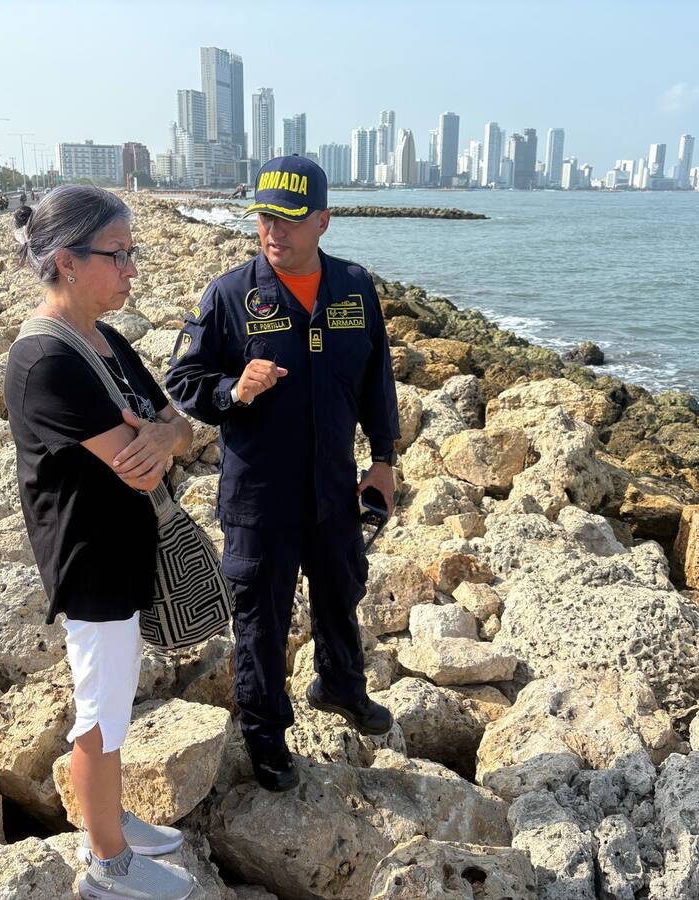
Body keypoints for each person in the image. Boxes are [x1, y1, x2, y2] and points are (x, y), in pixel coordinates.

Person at [165, 155, 399, 792]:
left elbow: (378, 379)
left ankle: (343, 687)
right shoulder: (230, 295)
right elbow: (182, 381)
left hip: (333, 486)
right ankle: (266, 734)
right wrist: (231, 391)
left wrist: (383, 459)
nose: (275, 231)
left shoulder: (354, 288)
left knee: (341, 588)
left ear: (323, 220)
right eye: (266, 216)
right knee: (261, 619)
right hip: (260, 496)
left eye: (291, 219)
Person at [4, 185, 195, 900]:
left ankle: (109, 819)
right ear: (67, 260)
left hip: (124, 544)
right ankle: (107, 863)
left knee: (115, 695)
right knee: (102, 710)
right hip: (90, 558)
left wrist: (167, 433)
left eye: (132, 253)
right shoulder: (45, 360)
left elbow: (171, 420)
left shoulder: (103, 337)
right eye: (118, 255)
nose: (132, 270)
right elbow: (139, 456)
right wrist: (163, 438)